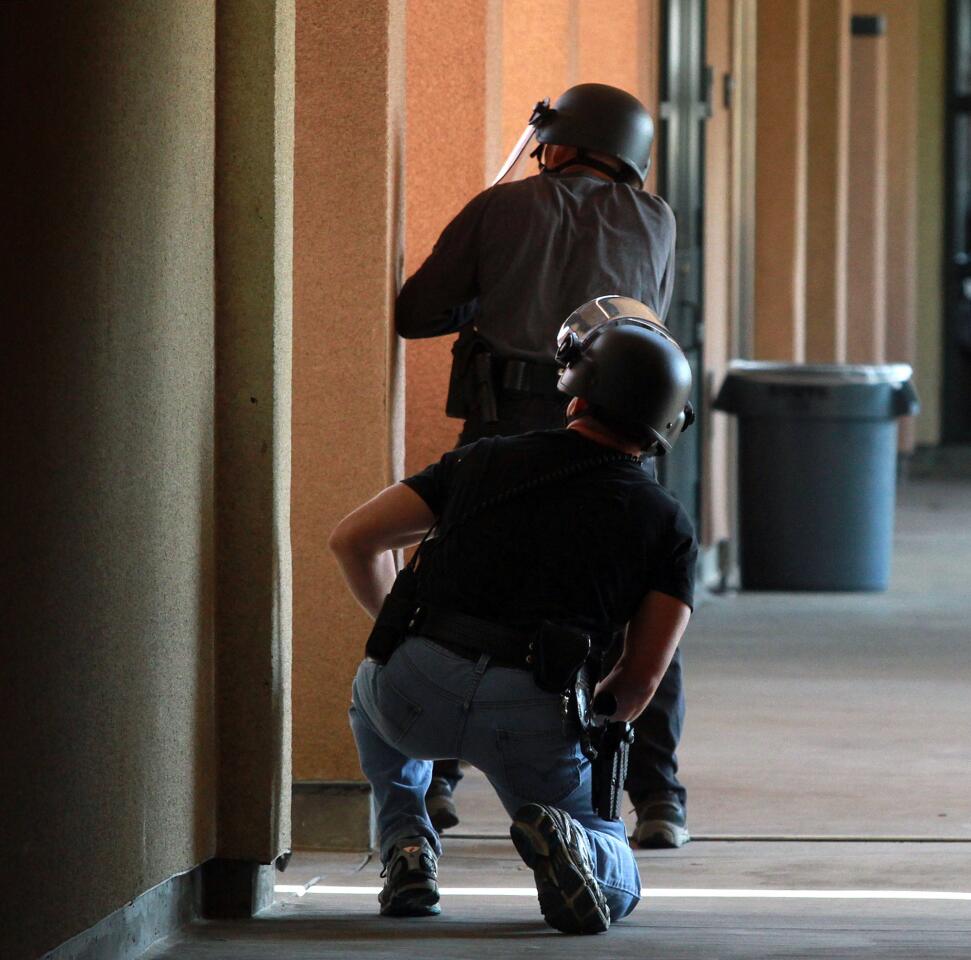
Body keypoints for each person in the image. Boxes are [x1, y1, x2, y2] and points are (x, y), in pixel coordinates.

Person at [330, 310, 696, 933]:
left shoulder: (480, 461)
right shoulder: (666, 523)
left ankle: (408, 848)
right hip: (533, 709)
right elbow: (635, 688)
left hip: (413, 691)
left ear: (576, 396)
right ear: (664, 428)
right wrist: (584, 729)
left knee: (370, 698)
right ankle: (575, 845)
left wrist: (403, 632)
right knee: (620, 878)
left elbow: (353, 540)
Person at [395, 82, 690, 847]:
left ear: (553, 144)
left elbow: (415, 312)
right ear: (628, 155)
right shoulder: (655, 219)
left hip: (505, 432)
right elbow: (643, 321)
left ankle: (438, 784)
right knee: (638, 602)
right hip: (614, 436)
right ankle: (658, 798)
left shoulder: (500, 209)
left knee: (461, 588)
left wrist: (485, 300)